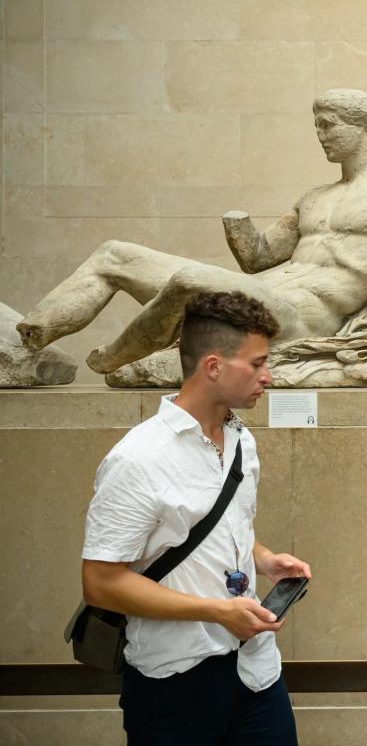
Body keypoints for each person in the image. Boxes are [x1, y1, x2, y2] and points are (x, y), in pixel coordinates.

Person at [17, 89, 367, 375]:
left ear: (362, 127)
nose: (319, 135)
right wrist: (237, 222)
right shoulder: (314, 198)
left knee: (190, 282)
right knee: (115, 254)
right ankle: (30, 336)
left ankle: (113, 359)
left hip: (307, 315)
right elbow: (258, 258)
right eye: (316, 124)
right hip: (259, 290)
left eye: (328, 124)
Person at [80, 291, 312, 745]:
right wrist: (217, 612)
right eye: (257, 363)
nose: (269, 376)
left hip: (257, 671)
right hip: (174, 681)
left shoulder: (242, 441)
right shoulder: (138, 458)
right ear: (213, 367)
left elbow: (218, 526)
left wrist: (262, 559)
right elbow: (101, 582)